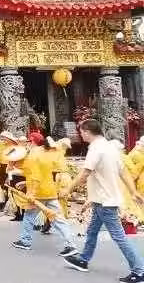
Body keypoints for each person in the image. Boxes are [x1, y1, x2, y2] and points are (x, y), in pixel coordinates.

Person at [62, 119, 144, 282]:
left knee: (119, 237)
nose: (80, 135)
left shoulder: (95, 149)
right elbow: (123, 172)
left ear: (87, 132)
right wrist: (133, 191)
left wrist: (68, 189)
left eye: (81, 132)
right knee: (92, 231)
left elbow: (84, 173)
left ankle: (139, 270)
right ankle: (83, 259)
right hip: (102, 199)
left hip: (105, 202)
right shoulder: (110, 148)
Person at [10, 136, 77, 257]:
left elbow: (35, 176)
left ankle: (25, 241)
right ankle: (71, 244)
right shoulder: (49, 155)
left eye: (29, 141)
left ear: (33, 142)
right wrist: (25, 182)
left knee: (29, 216)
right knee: (58, 218)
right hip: (50, 191)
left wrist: (32, 193)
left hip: (37, 193)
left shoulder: (34, 154)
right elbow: (42, 174)